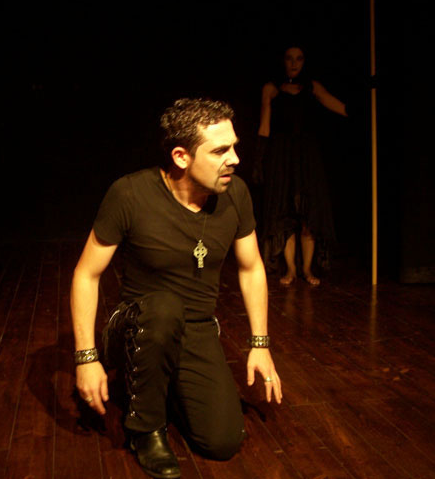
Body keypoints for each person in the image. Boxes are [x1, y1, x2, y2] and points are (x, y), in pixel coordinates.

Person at [70, 98, 282, 479]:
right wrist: (86, 358)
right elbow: (86, 274)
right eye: (220, 150)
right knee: (165, 308)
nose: (234, 159)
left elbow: (251, 268)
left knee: (223, 441)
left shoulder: (235, 195)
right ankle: (144, 428)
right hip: (137, 325)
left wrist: (260, 343)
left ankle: (162, 384)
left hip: (195, 327)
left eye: (234, 147)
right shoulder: (131, 194)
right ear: (181, 157)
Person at [255, 45, 347, 286]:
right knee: (285, 215)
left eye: (299, 59)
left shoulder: (312, 87)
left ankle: (306, 269)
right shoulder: (271, 89)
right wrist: (260, 158)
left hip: (307, 156)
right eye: (289, 58)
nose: (294, 63)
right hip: (282, 155)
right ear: (282, 61)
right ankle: (291, 269)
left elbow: (335, 104)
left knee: (309, 214)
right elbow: (265, 124)